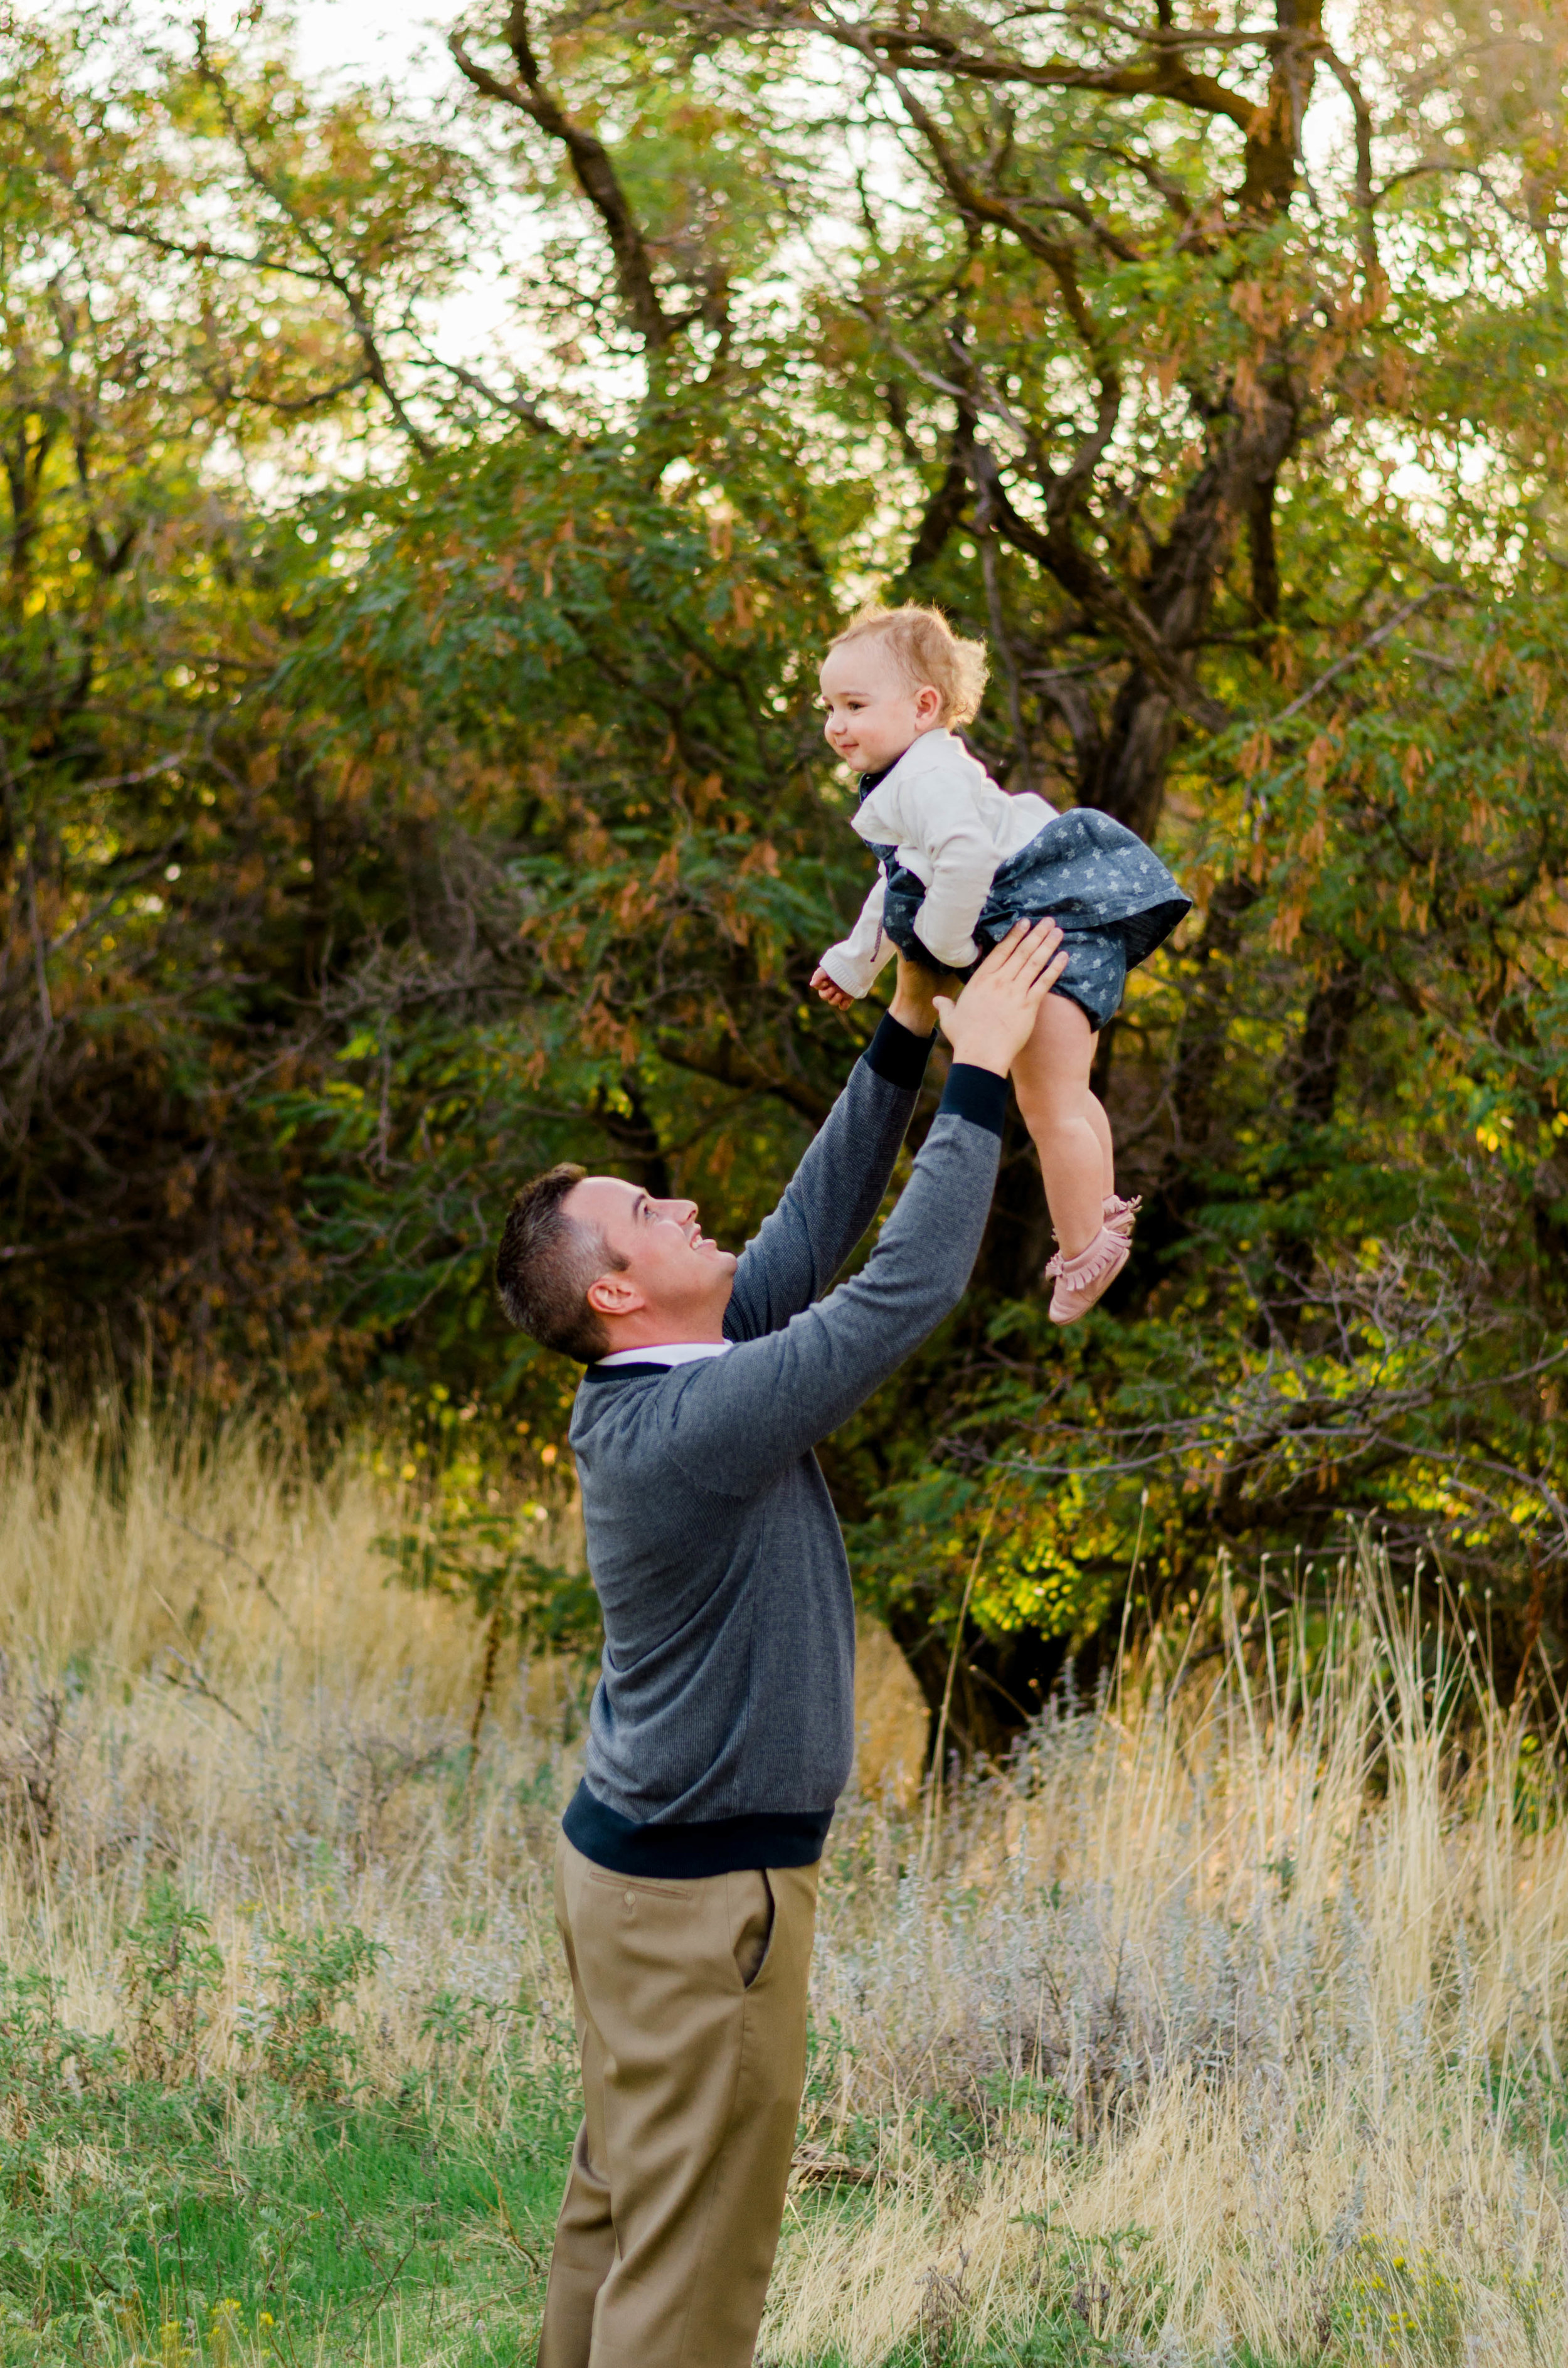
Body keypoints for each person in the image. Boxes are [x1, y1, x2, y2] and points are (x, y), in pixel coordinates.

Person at [493, 921, 1067, 2368]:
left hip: (638, 1881)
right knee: (691, 2279)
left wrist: (904, 1035)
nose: (683, 1203)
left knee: (627, 2215)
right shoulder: (691, 1425)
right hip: (702, 1910)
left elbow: (808, 1239)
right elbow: (898, 1292)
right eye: (648, 1211)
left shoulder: (679, 1371)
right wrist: (982, 1077)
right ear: (618, 1292)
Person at [812, 603, 1190, 1323]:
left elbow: (964, 860)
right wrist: (855, 963)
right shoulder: (913, 775)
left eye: (854, 705)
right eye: (829, 706)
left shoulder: (928, 779)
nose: (836, 723)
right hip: (1060, 926)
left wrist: (949, 950)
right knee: (1067, 1097)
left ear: (924, 706)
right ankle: (1098, 1217)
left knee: (1049, 1107)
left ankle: (1086, 1251)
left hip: (1047, 930)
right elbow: (899, 879)